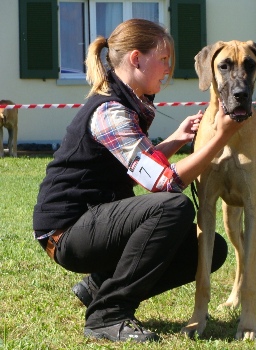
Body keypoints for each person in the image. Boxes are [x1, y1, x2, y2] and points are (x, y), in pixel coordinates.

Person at [32, 19, 244, 343]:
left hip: (91, 223)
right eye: (163, 59)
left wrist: (175, 139)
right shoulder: (111, 112)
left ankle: (100, 285)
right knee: (173, 207)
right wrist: (220, 137)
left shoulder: (126, 104)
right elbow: (164, 184)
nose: (168, 69)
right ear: (136, 59)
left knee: (207, 250)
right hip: (66, 232)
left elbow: (137, 169)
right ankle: (109, 314)